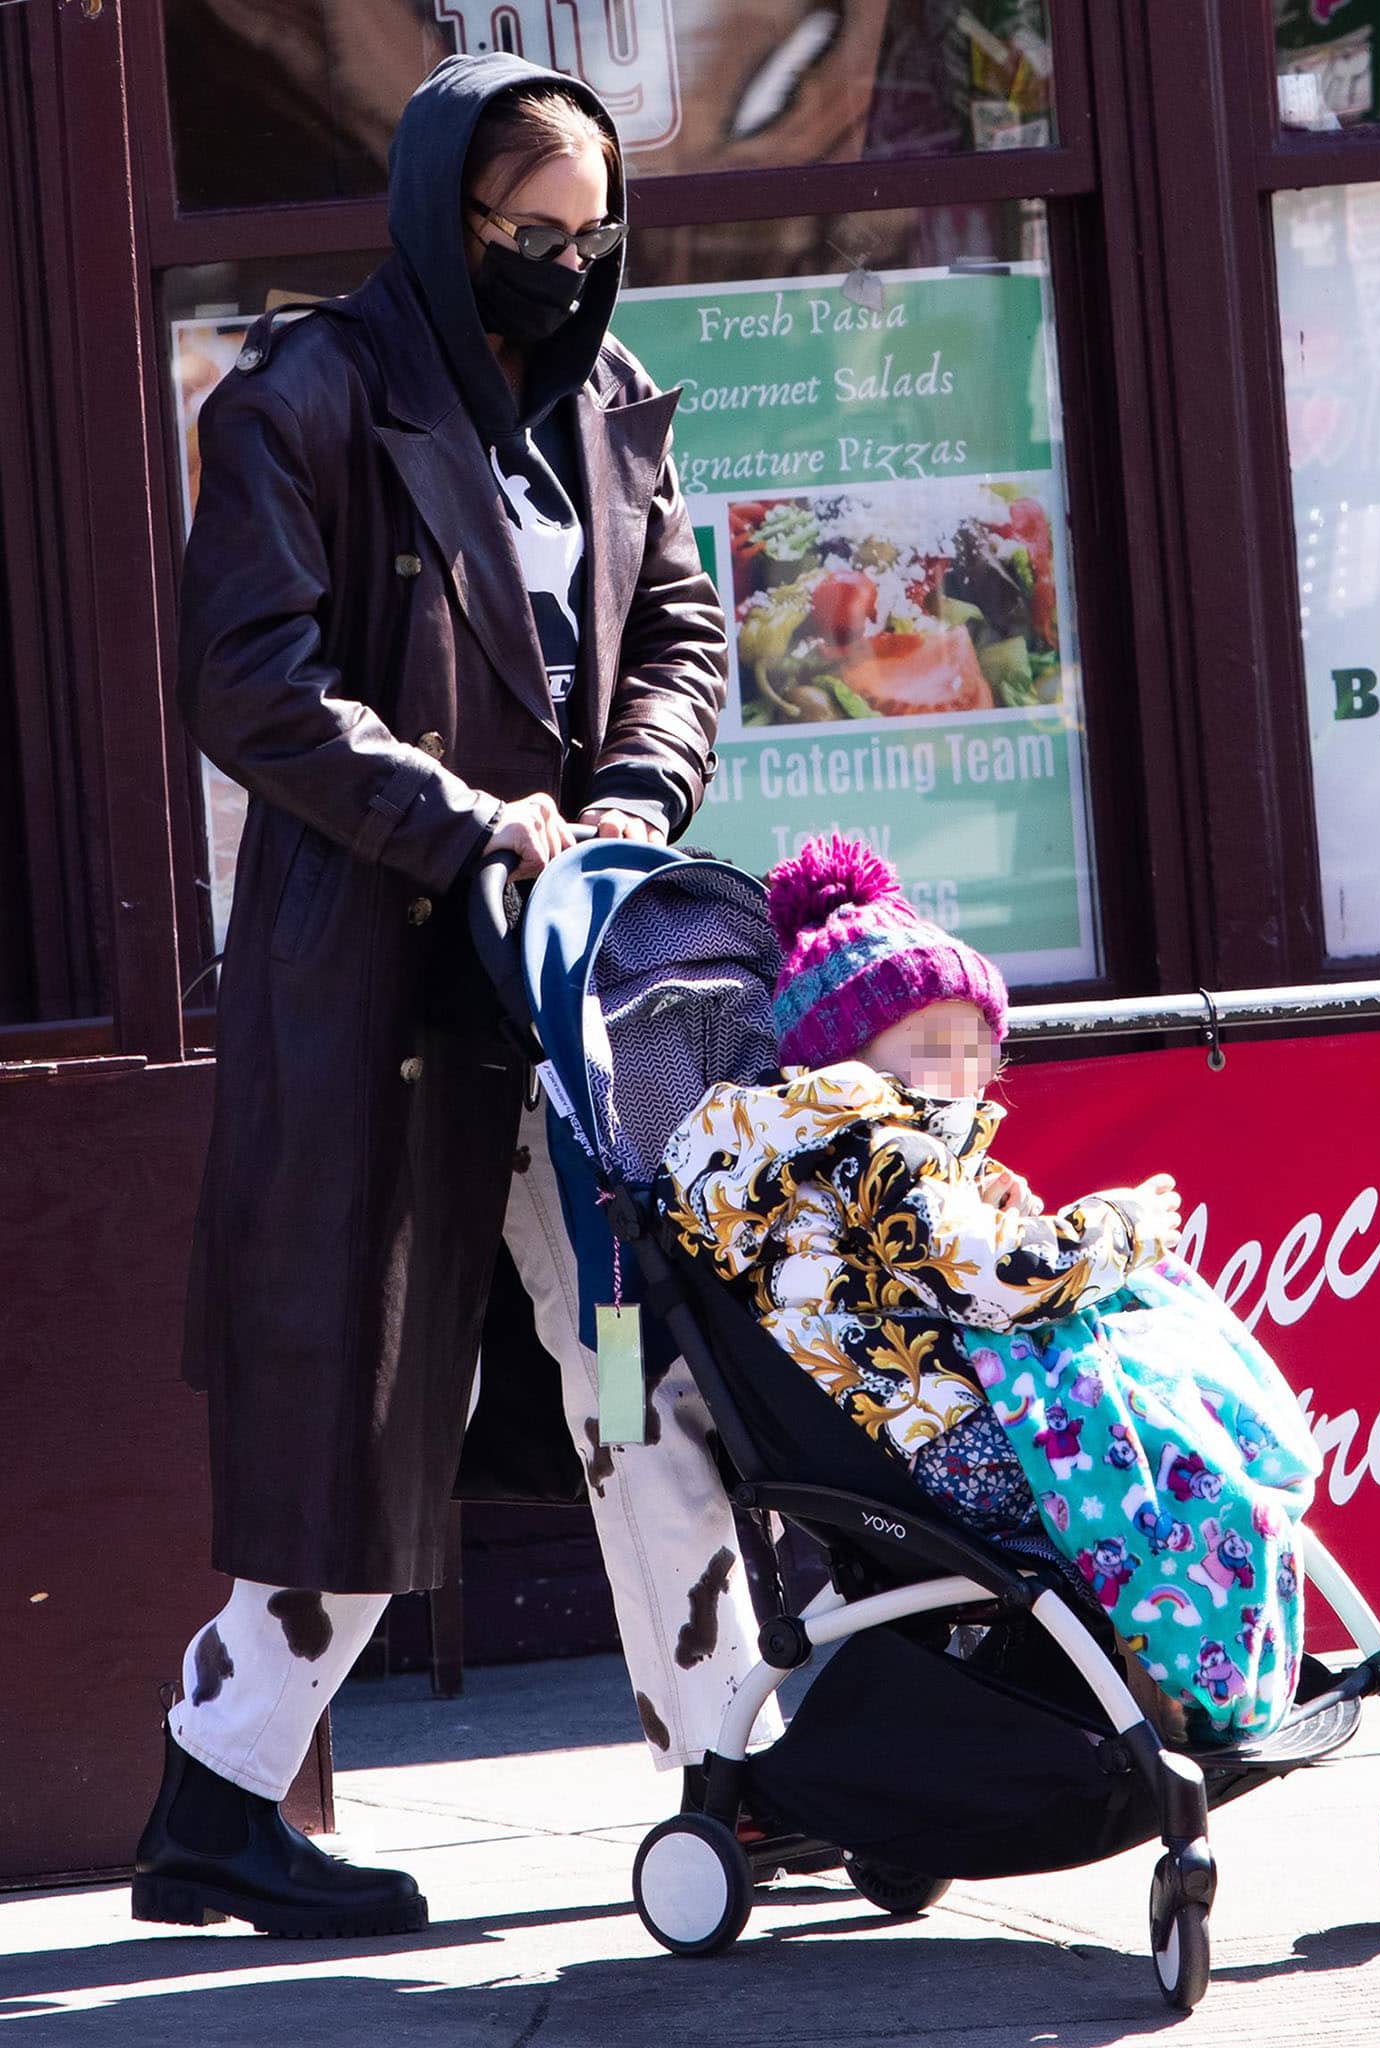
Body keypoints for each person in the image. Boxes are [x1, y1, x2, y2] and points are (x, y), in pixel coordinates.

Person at [134, 53, 743, 1939]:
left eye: (590, 234)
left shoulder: (618, 403)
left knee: (638, 1374)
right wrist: (480, 826)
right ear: (437, 217)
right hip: (383, 979)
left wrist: (633, 801)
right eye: (525, 233)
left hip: (572, 990)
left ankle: (735, 1762)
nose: (565, 267)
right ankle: (222, 1796)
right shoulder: (301, 398)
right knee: (371, 1405)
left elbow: (687, 630)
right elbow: (251, 683)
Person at [660, 836, 1323, 1745]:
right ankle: (1194, 1682)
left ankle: (1170, 1667)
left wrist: (984, 1200)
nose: (966, 1067)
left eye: (978, 1044)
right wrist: (1125, 1227)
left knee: (1176, 1427)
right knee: (1184, 1462)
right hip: (958, 1450)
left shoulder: (815, 1153)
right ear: (848, 1055)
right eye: (935, 1042)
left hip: (905, 1432)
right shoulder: (869, 1144)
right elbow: (1011, 1280)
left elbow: (936, 1264)